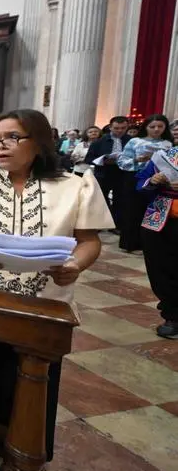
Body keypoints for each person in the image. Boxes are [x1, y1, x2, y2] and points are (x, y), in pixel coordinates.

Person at [0, 108, 113, 460]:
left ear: (38, 142)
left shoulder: (73, 185)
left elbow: (89, 240)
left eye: (12, 138)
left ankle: (24, 458)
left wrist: (75, 264)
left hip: (43, 304)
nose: (1, 145)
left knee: (30, 382)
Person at [136, 145, 178, 339]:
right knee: (160, 268)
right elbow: (140, 183)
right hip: (160, 219)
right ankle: (172, 315)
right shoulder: (165, 156)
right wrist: (153, 180)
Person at [116, 114, 174, 252]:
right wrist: (137, 160)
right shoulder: (135, 141)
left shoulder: (168, 143)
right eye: (152, 126)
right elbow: (122, 161)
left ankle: (150, 243)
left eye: (160, 126)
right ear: (146, 127)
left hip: (159, 179)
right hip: (135, 177)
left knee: (152, 210)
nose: (156, 129)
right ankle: (130, 243)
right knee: (132, 210)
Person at [85, 115, 130, 229]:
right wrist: (104, 160)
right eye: (116, 128)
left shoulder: (131, 141)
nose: (119, 131)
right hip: (103, 174)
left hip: (122, 174)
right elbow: (88, 159)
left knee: (120, 200)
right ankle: (101, 223)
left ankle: (116, 225)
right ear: (110, 127)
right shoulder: (99, 142)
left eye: (123, 128)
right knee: (101, 200)